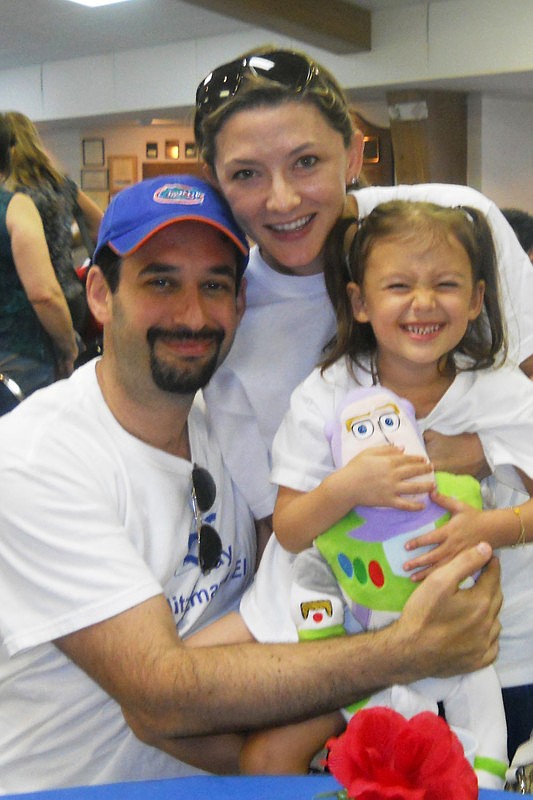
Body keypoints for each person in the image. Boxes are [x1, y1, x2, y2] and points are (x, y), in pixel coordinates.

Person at [0, 175, 501, 794]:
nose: (192, 313)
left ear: (240, 304)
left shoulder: (225, 427)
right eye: (160, 281)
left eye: (214, 285)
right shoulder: (35, 460)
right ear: (100, 294)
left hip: (232, 774)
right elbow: (160, 699)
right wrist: (410, 649)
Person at [193, 47, 533, 757]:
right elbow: (283, 530)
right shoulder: (235, 330)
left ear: (351, 151)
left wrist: (471, 455)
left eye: (306, 162)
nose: (282, 199)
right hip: (357, 630)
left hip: (505, 626)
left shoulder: (454, 222)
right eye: (247, 175)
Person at [241, 201, 533, 784]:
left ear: (476, 300)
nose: (423, 303)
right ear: (360, 302)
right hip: (363, 649)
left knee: (478, 777)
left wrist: (485, 530)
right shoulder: (326, 394)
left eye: (445, 285)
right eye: (399, 285)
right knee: (279, 762)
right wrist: (350, 485)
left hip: (495, 649)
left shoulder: (500, 391)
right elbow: (292, 527)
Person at [0, 113, 78, 396]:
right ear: (9, 153)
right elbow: (44, 294)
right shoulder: (14, 207)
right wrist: (69, 346)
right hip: (18, 353)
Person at [5, 110, 103, 335]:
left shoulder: (9, 194)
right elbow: (100, 223)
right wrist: (64, 241)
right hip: (70, 298)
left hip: (24, 304)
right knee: (68, 367)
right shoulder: (61, 184)